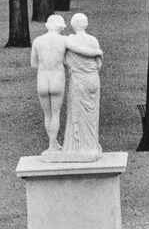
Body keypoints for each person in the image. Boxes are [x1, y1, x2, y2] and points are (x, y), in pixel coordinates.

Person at [63, 13, 103, 159]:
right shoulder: (93, 40)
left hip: (78, 80)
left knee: (77, 113)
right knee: (92, 115)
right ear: (86, 24)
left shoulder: (69, 40)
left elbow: (66, 61)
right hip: (93, 79)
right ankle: (91, 145)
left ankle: (76, 148)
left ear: (73, 25)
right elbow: (99, 64)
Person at [30, 14, 67, 154]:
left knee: (47, 114)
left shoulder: (38, 41)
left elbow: (33, 64)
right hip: (57, 78)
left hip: (43, 78)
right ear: (60, 27)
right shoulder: (64, 40)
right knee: (56, 113)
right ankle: (53, 145)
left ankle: (53, 143)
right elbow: (67, 61)